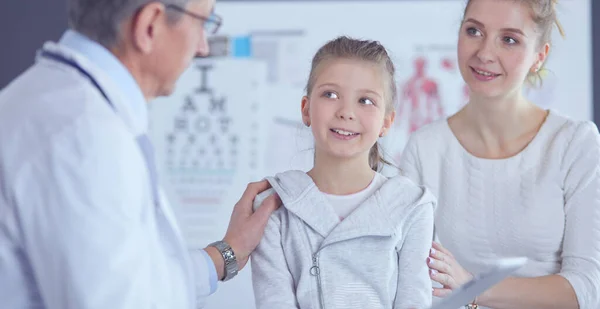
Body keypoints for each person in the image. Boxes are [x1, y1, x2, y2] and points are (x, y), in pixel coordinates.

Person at [0, 0, 280, 308]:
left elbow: (136, 278)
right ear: (150, 25)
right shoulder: (84, 136)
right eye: (204, 22)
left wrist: (228, 252)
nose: (202, 47)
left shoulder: (55, 101)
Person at [398, 0, 600, 308]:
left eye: (509, 39)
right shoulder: (424, 148)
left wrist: (475, 287)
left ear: (539, 56)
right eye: (474, 31)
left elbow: (588, 288)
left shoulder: (574, 143)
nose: (485, 53)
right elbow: (408, 279)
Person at [250, 36, 436, 309]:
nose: (347, 112)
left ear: (386, 122)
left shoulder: (411, 206)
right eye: (330, 95)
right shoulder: (274, 205)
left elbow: (414, 302)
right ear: (306, 109)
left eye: (365, 100)